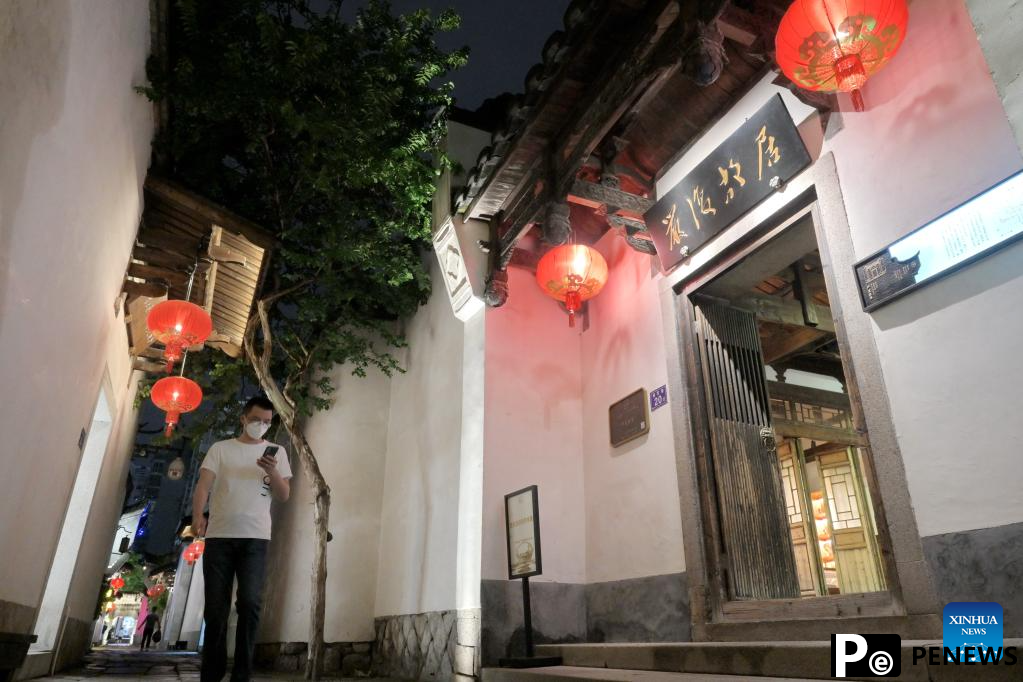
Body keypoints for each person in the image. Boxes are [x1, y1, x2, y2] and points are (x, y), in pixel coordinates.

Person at [192, 396, 292, 682]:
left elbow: (284, 495)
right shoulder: (221, 449)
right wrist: (198, 514)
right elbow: (203, 484)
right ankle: (211, 673)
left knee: (249, 602)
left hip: (256, 538)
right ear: (243, 419)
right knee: (216, 608)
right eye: (256, 420)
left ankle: (242, 673)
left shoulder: (277, 452)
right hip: (220, 536)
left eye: (266, 422)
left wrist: (271, 470)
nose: (261, 426)